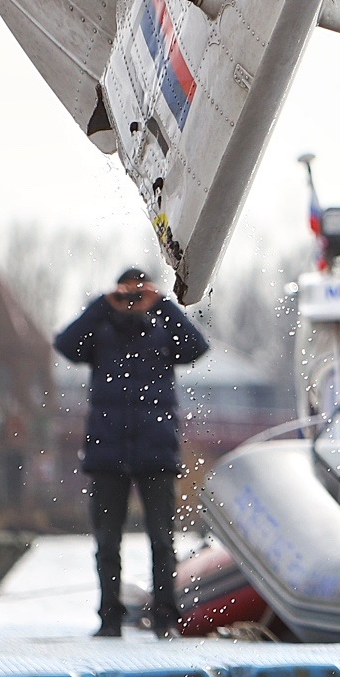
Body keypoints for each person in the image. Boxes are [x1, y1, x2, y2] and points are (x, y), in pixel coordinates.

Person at [54, 267, 210, 636]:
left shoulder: (163, 330)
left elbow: (196, 348)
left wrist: (165, 305)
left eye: (140, 294)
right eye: (127, 294)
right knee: (107, 540)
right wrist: (102, 305)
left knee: (162, 539)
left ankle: (165, 618)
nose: (133, 302)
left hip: (156, 452)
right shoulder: (101, 332)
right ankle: (109, 617)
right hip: (107, 453)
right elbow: (65, 345)